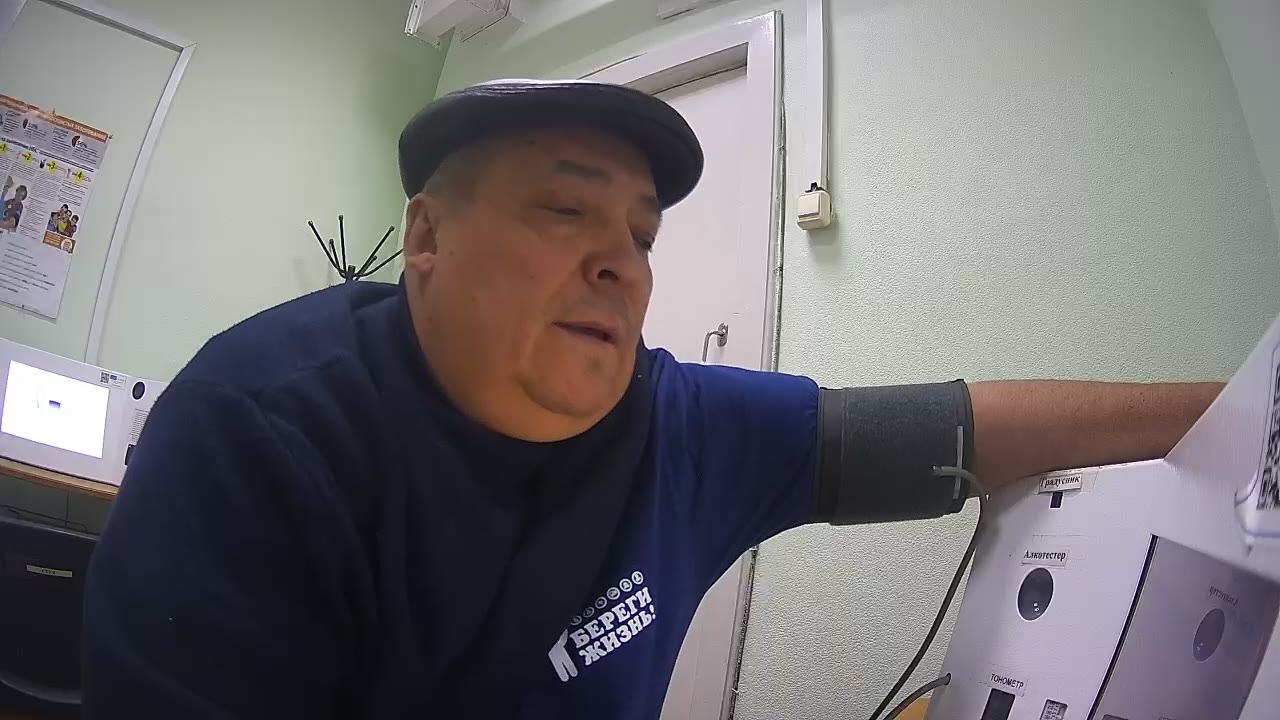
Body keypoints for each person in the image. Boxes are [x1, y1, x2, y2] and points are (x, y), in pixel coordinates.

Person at [83, 81, 1224, 718]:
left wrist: (1245, 417)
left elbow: (954, 429)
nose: (622, 265)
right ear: (424, 237)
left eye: (640, 235)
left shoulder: (679, 428)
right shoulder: (254, 435)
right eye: (566, 211)